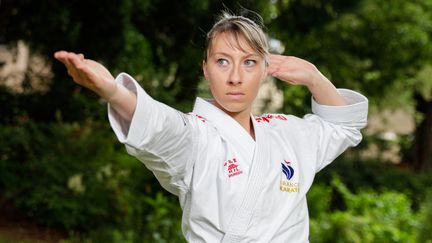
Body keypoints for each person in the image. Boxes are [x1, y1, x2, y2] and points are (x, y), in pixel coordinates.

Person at [55, 12, 368, 243]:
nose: (235, 76)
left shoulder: (287, 133)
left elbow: (344, 126)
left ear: (265, 70)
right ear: (205, 69)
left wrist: (313, 76)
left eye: (249, 62)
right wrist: (113, 92)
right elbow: (160, 126)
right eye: (222, 61)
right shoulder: (197, 136)